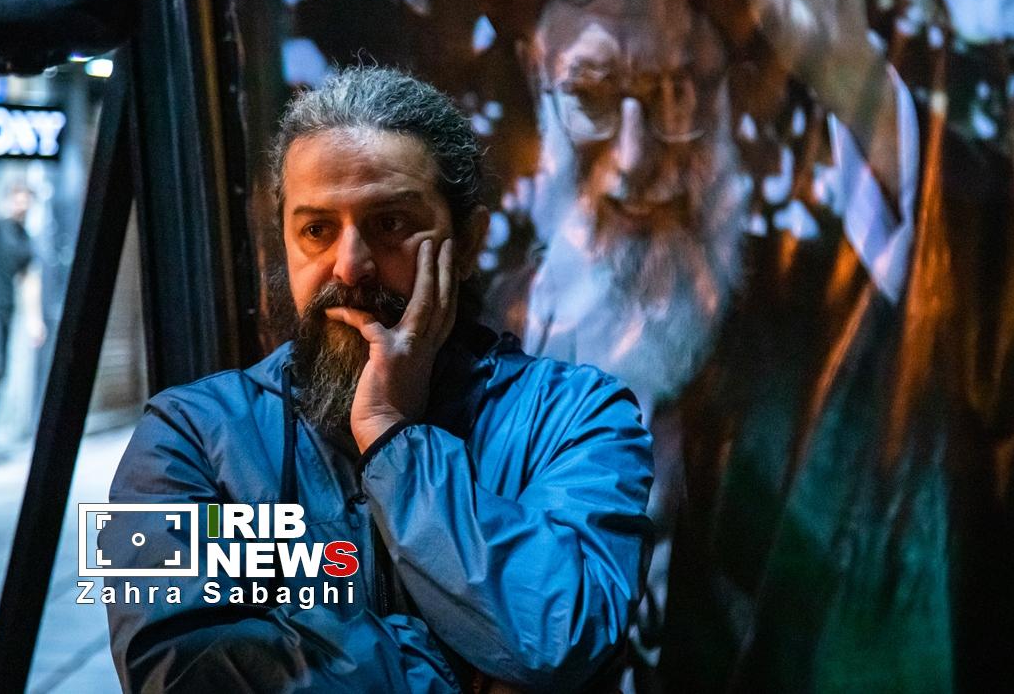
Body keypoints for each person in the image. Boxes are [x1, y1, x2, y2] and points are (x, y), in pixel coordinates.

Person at [466, 0, 1014, 690]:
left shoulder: (823, 351)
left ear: (724, 97)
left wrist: (852, 76)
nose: (635, 160)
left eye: (674, 94)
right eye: (592, 96)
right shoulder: (452, 365)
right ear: (537, 81)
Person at [102, 67, 654, 692]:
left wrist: (391, 437)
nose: (350, 266)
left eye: (390, 224)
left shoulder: (579, 416)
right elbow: (176, 666)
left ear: (468, 243)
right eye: (316, 230)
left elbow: (558, 637)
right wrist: (457, 669)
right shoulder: (189, 437)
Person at [0, 182, 45, 440]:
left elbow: (29, 281)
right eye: (17, 200)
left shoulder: (25, 240)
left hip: (5, 314)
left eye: (26, 201)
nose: (21, 206)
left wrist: (35, 321)